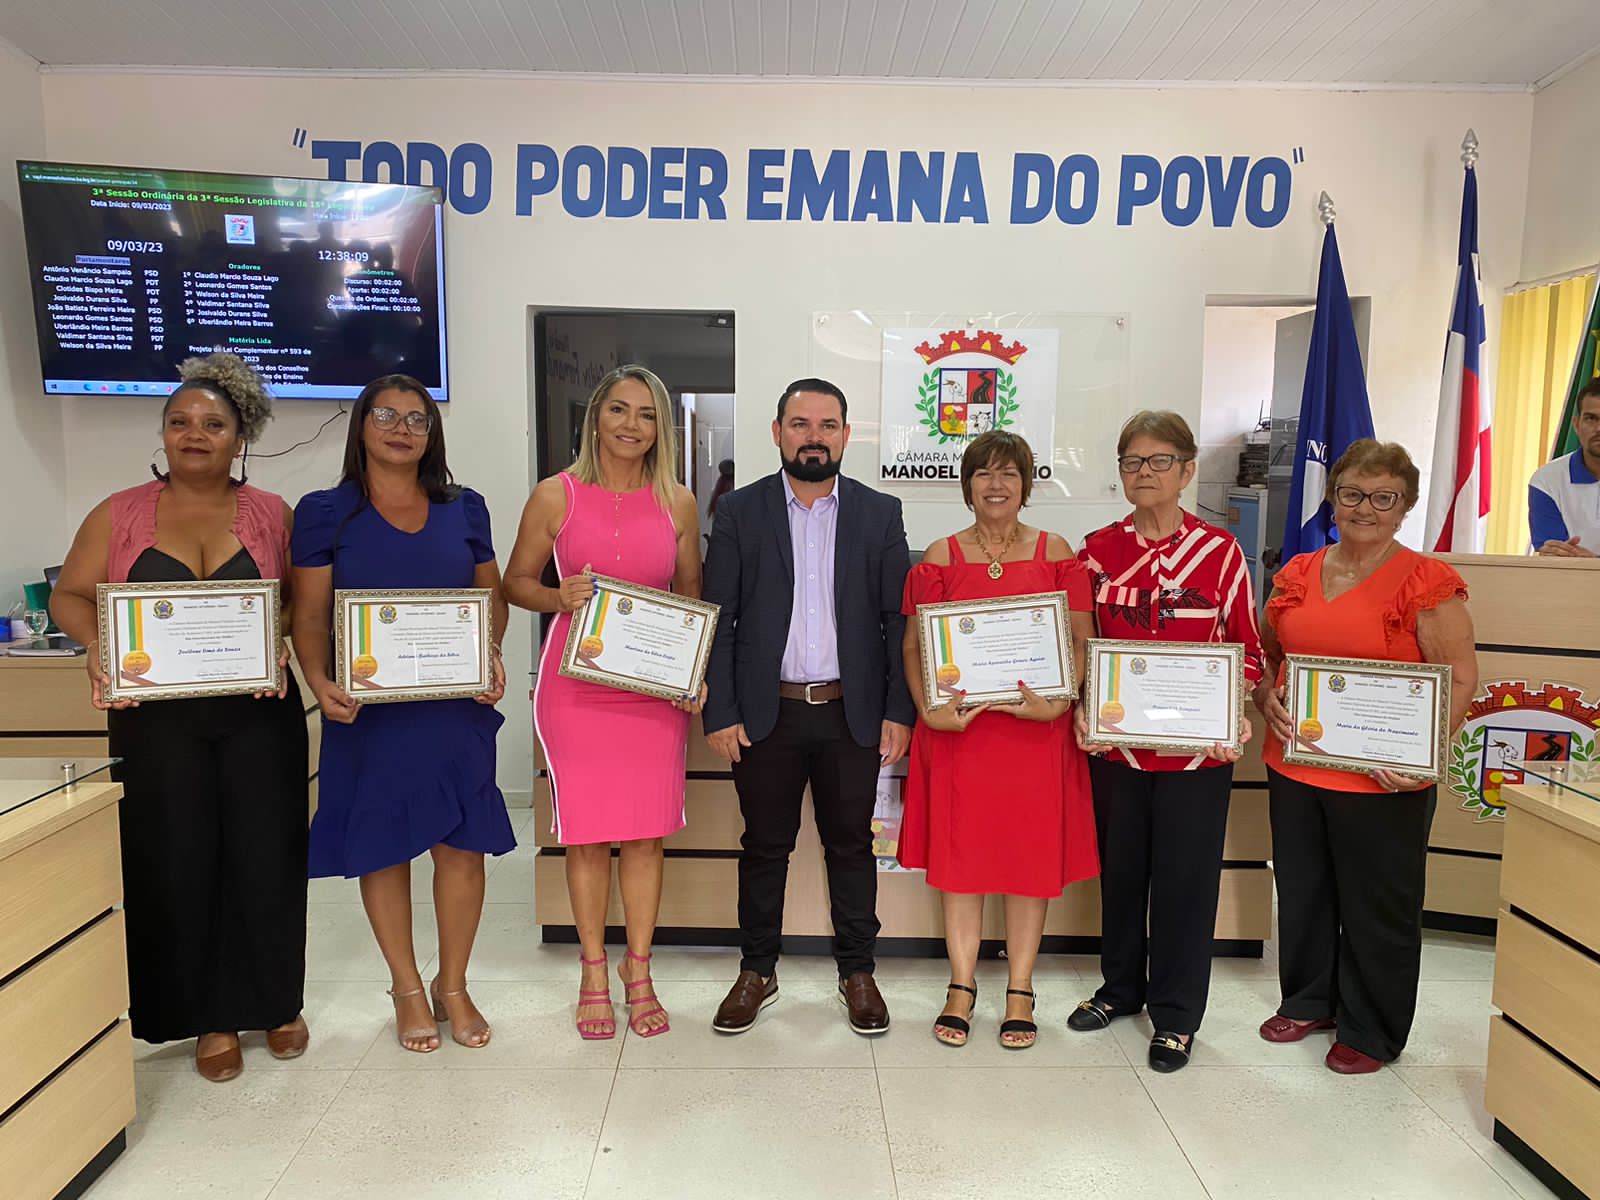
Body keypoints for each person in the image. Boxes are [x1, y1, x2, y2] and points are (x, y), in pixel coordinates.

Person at [50, 352, 309, 1083]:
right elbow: (69, 597)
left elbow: (301, 603)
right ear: (163, 434)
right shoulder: (120, 512)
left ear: (240, 437)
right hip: (156, 721)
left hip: (259, 716)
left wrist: (275, 642)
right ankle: (207, 1016)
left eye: (213, 424)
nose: (195, 435)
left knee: (267, 856)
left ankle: (276, 1003)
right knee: (175, 859)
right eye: (180, 422)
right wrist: (103, 649)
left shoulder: (271, 514)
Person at [290, 374, 512, 1054]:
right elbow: (309, 615)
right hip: (371, 716)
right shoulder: (325, 512)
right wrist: (319, 679)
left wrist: (491, 654)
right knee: (383, 849)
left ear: (431, 434)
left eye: (417, 419)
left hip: (453, 710)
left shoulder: (465, 507)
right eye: (386, 415)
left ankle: (454, 982)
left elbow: (491, 599)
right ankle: (407, 986)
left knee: (463, 847)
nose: (402, 428)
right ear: (361, 426)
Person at [1253, 438, 1478, 1074]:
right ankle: (1308, 997)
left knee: (1379, 902)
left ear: (1404, 507)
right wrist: (1267, 692)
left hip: (1385, 777)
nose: (1366, 508)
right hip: (1297, 761)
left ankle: (1372, 1027)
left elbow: (1459, 677)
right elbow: (1274, 655)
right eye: (1353, 493)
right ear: (1333, 497)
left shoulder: (1425, 581)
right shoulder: (1298, 572)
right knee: (1303, 889)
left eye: (1385, 498)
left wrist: (1426, 756)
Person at [703, 377, 913, 1036]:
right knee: (765, 847)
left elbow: (894, 620)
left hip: (852, 712)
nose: (814, 437)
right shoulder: (740, 511)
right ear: (777, 432)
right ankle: (756, 971)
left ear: (846, 435)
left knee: (851, 847)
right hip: (768, 714)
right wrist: (721, 711)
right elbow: (722, 616)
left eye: (827, 425)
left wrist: (898, 710)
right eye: (800, 424)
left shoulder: (880, 513)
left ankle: (858, 971)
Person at [505, 365, 705, 1040]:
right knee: (586, 837)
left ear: (660, 428)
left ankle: (638, 970)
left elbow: (688, 603)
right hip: (577, 688)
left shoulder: (678, 501)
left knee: (647, 836)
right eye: (618, 410)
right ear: (595, 417)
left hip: (650, 693)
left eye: (646, 414)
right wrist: (556, 596)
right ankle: (593, 969)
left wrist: (694, 670)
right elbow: (516, 583)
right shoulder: (554, 496)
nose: (631, 425)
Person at [1067, 411, 1264, 1072]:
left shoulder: (1220, 553)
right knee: (1121, 875)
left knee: (1184, 881)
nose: (1143, 473)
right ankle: (1120, 988)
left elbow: (1249, 651)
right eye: (1131, 461)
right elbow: (1076, 646)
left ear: (1186, 470)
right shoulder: (1095, 551)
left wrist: (1235, 706)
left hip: (1194, 754)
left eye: (1158, 461)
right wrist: (1078, 702)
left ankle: (1177, 1013)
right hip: (1116, 748)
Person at [901, 431, 1097, 1051]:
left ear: (1026, 483)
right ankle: (961, 986)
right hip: (962, 735)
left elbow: (1080, 641)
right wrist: (929, 709)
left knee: (1028, 864)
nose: (995, 484)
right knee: (961, 864)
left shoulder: (1056, 551)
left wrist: (1062, 701)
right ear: (966, 484)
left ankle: (1019, 988)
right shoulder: (939, 555)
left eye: (1008, 473)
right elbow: (914, 647)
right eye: (983, 473)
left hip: (1036, 735)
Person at [1530, 378, 1600, 557]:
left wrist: (1591, 564)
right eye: (1591, 418)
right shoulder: (1546, 481)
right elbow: (1558, 558)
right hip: (1568, 583)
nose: (1598, 428)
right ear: (1576, 425)